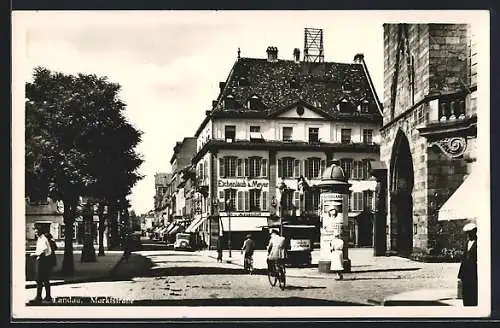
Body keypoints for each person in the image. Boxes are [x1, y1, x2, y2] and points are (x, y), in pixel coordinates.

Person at [31, 226, 53, 303]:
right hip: (42, 260)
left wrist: (35, 255)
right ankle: (47, 296)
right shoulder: (40, 239)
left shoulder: (43, 239)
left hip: (42, 260)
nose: (35, 233)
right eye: (35, 232)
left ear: (40, 232)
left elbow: (44, 251)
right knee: (44, 279)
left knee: (40, 279)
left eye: (37, 232)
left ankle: (40, 297)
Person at [458, 222, 477, 306]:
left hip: (474, 271)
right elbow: (463, 259)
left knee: (473, 290)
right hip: (465, 272)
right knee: (465, 291)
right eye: (467, 233)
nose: (468, 235)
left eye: (470, 233)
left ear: (474, 232)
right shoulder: (467, 243)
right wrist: (460, 274)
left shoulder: (478, 243)